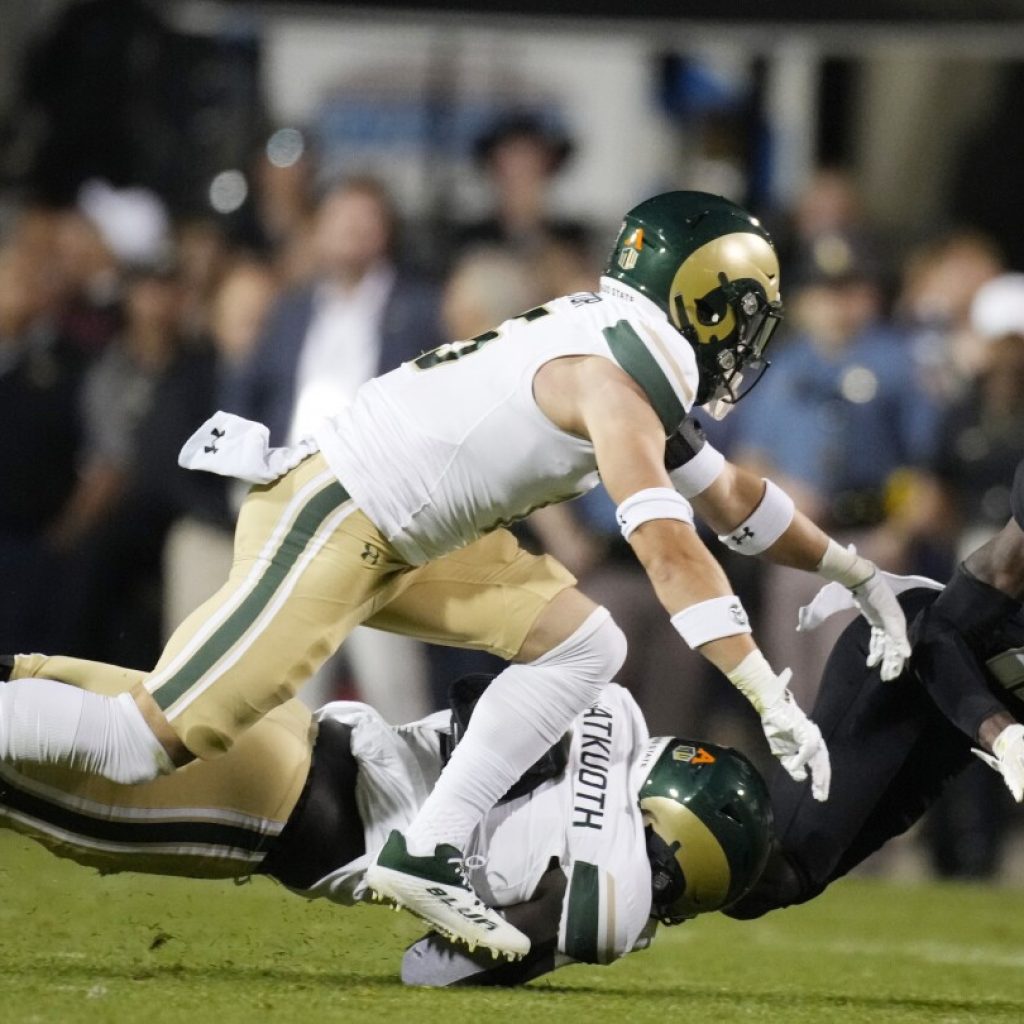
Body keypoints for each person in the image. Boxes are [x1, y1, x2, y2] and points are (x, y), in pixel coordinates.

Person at [0, 191, 911, 959]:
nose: (748, 340)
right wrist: (769, 695)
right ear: (705, 302)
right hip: (344, 511)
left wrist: (856, 570)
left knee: (586, 640)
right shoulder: (618, 382)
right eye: (746, 312)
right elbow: (673, 554)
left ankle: (430, 846)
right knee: (143, 739)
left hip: (407, 531)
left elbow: (734, 500)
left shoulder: (624, 354)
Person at [0, 650, 771, 985]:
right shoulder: (607, 902)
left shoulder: (614, 722)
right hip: (282, 798)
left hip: (290, 755)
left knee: (28, 694)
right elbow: (430, 969)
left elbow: (503, 706)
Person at [727, 458, 1024, 918]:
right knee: (767, 868)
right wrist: (1004, 737)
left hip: (970, 711)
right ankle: (632, 842)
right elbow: (936, 631)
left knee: (782, 880)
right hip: (904, 667)